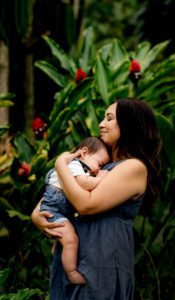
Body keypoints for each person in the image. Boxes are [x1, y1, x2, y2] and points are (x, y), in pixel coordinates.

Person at [31, 98, 162, 300]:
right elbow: (59, 191)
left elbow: (86, 204)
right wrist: (36, 214)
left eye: (109, 118)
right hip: (74, 258)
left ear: (129, 124)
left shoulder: (134, 167)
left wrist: (60, 165)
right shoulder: (96, 166)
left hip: (102, 259)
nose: (101, 124)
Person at [39, 137, 110, 285]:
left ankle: (58, 250)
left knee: (68, 236)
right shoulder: (73, 165)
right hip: (55, 207)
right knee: (71, 240)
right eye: (100, 164)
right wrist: (101, 178)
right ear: (84, 153)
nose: (99, 169)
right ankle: (71, 273)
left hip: (61, 209)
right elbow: (84, 184)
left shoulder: (77, 166)